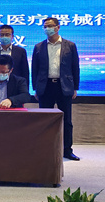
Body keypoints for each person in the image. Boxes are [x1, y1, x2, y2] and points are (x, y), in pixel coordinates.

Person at [31, 17, 81, 161]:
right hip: (45, 86)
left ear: (58, 27)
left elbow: (75, 67)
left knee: (66, 120)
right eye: (45, 26)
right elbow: (35, 69)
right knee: (44, 120)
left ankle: (67, 150)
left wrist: (75, 88)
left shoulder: (70, 45)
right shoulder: (39, 47)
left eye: (50, 26)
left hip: (64, 86)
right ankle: (45, 149)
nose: (47, 29)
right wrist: (35, 88)